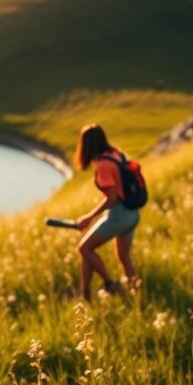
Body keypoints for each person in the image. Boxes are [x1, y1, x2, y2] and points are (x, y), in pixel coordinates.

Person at [72, 124, 140, 301]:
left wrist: (89, 217)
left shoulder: (103, 165)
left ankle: (110, 284)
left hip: (119, 215)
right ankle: (135, 294)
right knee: (124, 257)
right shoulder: (116, 154)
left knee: (84, 248)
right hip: (132, 213)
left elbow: (111, 198)